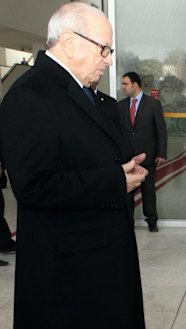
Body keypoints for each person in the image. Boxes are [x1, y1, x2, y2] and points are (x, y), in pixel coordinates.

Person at [0, 3, 148, 328]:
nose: (108, 59)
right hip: (67, 277)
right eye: (104, 49)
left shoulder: (81, 94)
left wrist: (125, 169)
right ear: (70, 42)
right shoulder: (30, 96)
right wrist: (113, 181)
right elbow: (33, 186)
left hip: (96, 261)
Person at [118, 71, 168, 232]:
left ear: (135, 85)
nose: (123, 87)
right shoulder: (120, 106)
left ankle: (152, 221)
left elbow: (161, 131)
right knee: (127, 192)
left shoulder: (153, 104)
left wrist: (161, 153)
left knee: (148, 192)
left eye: (125, 84)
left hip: (148, 156)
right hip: (127, 157)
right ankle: (127, 221)